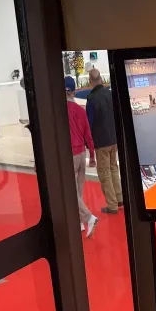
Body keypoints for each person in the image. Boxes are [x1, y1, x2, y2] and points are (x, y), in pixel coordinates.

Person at [85, 68, 122, 214]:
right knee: (114, 168)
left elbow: (89, 124)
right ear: (101, 79)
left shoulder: (92, 99)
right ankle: (119, 198)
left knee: (104, 173)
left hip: (101, 143)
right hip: (114, 139)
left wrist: (89, 144)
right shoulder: (110, 94)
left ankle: (112, 205)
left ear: (90, 81)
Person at [65, 76, 97, 238]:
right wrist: (92, 155)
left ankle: (89, 218)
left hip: (69, 154)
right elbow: (88, 135)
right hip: (81, 154)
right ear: (74, 91)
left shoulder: (60, 112)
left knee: (70, 192)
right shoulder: (81, 111)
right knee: (78, 191)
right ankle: (79, 222)